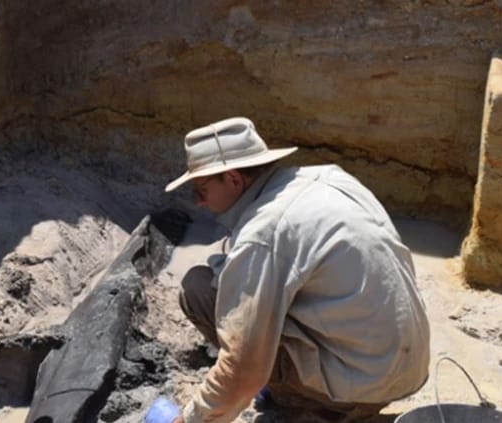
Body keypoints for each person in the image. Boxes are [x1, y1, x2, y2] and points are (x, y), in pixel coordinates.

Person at [163, 117, 431, 422]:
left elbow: (241, 368)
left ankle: (312, 405)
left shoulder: (264, 232)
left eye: (201, 189)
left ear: (235, 179)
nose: (198, 202)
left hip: (359, 391)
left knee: (198, 290)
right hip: (408, 368)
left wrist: (190, 418)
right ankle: (302, 388)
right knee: (241, 289)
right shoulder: (329, 177)